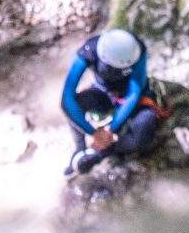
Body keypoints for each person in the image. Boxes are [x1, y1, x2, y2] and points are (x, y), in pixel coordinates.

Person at [62, 27, 169, 177]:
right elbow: (67, 99)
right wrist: (92, 132)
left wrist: (111, 129)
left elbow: (133, 94)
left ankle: (102, 152)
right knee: (77, 105)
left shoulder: (135, 49)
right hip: (103, 94)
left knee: (145, 127)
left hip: (134, 99)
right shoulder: (89, 50)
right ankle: (80, 149)